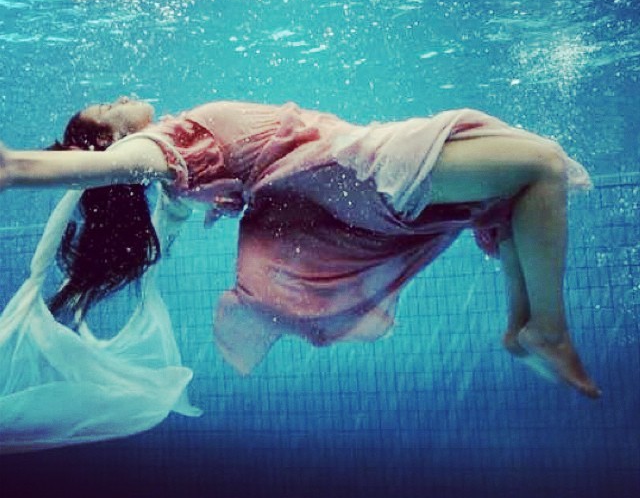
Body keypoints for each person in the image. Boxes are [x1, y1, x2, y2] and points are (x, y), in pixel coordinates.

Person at [0, 96, 601, 399]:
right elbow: (94, 169)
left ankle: (524, 325)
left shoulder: (172, 164)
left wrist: (194, 210)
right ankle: (548, 330)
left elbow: (172, 214)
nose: (123, 96)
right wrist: (11, 167)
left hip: (351, 163)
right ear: (113, 138)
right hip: (359, 169)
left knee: (509, 189)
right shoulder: (151, 148)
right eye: (109, 108)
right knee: (541, 164)